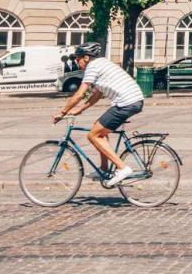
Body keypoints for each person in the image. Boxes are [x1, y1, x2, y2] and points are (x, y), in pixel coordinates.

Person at [52, 43, 144, 187]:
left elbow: (80, 93)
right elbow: (97, 93)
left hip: (126, 103)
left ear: (86, 58)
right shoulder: (103, 64)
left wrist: (62, 112)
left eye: (78, 59)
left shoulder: (93, 67)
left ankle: (122, 168)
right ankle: (104, 169)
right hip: (133, 101)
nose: (78, 62)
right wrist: (80, 109)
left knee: (93, 135)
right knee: (99, 129)